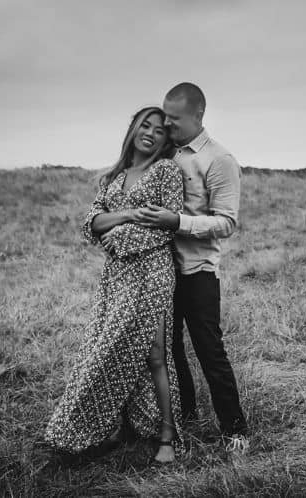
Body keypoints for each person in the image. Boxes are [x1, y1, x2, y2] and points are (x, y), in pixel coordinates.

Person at [43, 106, 187, 464]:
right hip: (116, 277)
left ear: (166, 139)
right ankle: (101, 427)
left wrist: (118, 237)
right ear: (134, 127)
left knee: (153, 354)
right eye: (146, 125)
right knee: (107, 347)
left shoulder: (165, 171)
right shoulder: (113, 176)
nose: (151, 133)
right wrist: (125, 217)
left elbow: (166, 225)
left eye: (159, 130)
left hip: (151, 271)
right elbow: (91, 223)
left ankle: (167, 435)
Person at [151, 82, 249, 452]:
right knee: (170, 349)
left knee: (209, 348)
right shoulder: (167, 153)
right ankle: (186, 416)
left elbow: (226, 222)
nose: (167, 124)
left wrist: (177, 222)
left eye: (174, 119)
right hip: (162, 270)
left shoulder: (219, 160)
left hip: (199, 270)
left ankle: (235, 430)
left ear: (199, 116)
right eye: (165, 117)